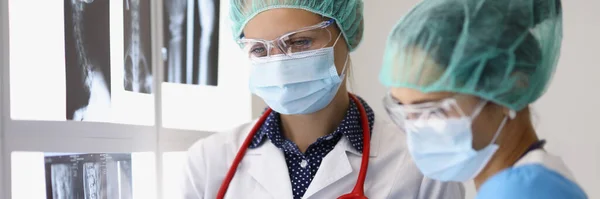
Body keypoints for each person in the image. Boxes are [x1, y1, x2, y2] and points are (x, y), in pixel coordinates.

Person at [182, 0, 465, 198]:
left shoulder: (420, 163)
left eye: (299, 42)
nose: (279, 64)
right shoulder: (209, 161)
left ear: (346, 33)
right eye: (259, 50)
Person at [379, 0, 589, 198]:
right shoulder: (534, 182)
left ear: (509, 89)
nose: (415, 130)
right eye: (403, 111)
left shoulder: (519, 191)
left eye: (432, 110)